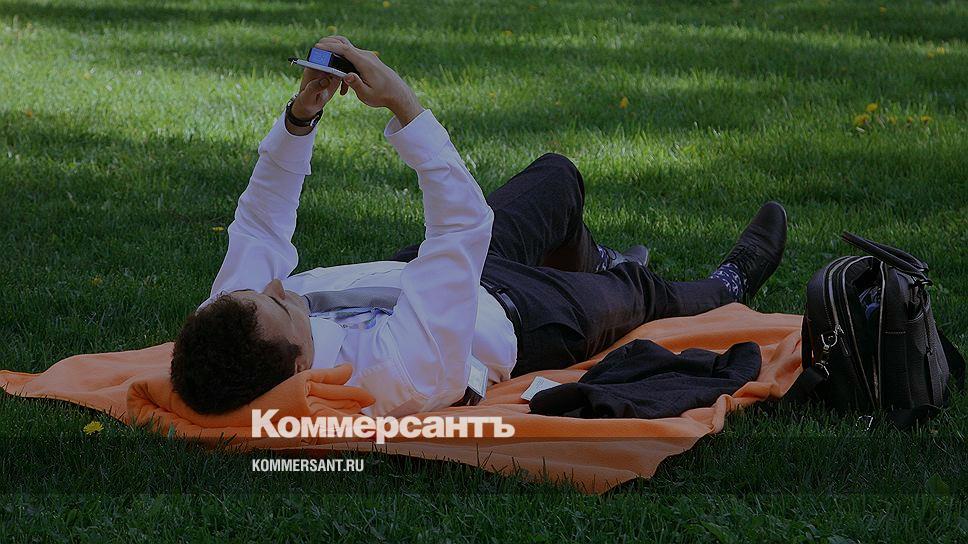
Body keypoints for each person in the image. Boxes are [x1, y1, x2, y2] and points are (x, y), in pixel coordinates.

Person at [169, 35, 787, 417]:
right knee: (637, 293)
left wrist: (300, 118)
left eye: (263, 291)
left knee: (556, 177)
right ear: (299, 366)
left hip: (422, 270)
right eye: (280, 305)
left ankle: (590, 261)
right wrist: (403, 104)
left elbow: (261, 222)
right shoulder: (392, 377)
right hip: (520, 312)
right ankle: (726, 286)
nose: (279, 286)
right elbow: (462, 225)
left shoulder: (232, 318)